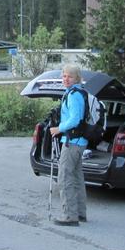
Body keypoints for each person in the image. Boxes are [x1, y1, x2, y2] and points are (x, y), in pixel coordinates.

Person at [49, 64, 87, 226]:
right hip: (78, 142)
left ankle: (70, 216)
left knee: (64, 179)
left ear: (76, 78)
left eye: (69, 76)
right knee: (77, 178)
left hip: (72, 142)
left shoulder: (74, 95)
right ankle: (80, 213)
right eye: (64, 76)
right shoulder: (77, 93)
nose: (66, 79)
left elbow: (75, 119)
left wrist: (58, 129)